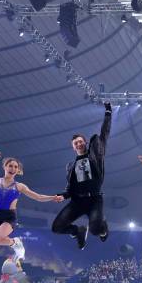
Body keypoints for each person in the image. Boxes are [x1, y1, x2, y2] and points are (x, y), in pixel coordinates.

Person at [0, 151, 63, 262]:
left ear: (18, 170)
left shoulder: (19, 186)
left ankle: (15, 242)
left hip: (9, 217)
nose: (13, 168)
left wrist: (52, 197)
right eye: (10, 166)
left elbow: (38, 197)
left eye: (16, 167)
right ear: (5, 167)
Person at [51, 102, 113, 249]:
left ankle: (103, 227)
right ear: (73, 147)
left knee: (95, 230)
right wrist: (63, 196)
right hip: (77, 202)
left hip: (94, 199)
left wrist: (108, 113)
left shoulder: (95, 155)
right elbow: (70, 189)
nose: (78, 144)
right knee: (56, 228)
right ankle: (77, 231)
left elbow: (104, 133)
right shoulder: (70, 167)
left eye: (80, 141)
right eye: (75, 143)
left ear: (85, 142)